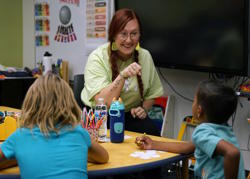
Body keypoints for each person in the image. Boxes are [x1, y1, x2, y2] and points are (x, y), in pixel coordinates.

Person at [0, 73, 109, 179]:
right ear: (70, 103)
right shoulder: (79, 133)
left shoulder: (19, 137)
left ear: (30, 103)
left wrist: (20, 156)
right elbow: (104, 157)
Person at [135, 79, 246, 179]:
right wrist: (153, 144)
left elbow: (232, 152)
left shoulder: (202, 132)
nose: (193, 103)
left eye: (194, 100)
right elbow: (187, 147)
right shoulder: (224, 130)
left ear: (199, 110)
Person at [81, 8, 163, 136]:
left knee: (153, 136)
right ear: (113, 35)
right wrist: (122, 76)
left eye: (134, 33)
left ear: (140, 34)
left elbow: (152, 93)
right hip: (100, 117)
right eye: (123, 34)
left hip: (129, 115)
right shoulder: (97, 57)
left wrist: (143, 109)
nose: (129, 40)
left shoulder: (145, 56)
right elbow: (105, 103)